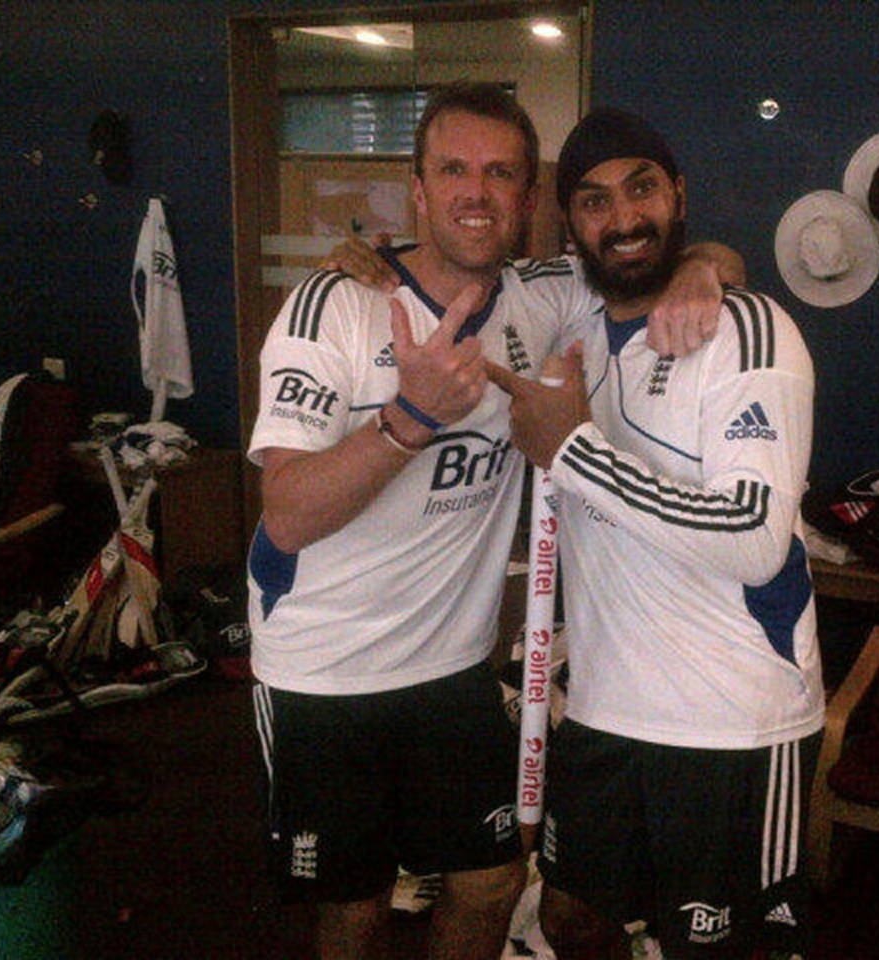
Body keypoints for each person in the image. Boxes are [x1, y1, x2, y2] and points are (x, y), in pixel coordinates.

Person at [246, 83, 741, 960]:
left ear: (527, 198)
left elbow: (657, 259)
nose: (476, 192)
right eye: (453, 170)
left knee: (491, 881)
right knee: (353, 909)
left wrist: (706, 265)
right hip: (324, 673)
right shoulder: (335, 307)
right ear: (418, 189)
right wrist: (409, 420)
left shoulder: (543, 296)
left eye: (500, 173)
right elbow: (283, 516)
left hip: (453, 669)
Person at [487, 109, 824, 960]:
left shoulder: (749, 331)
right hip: (605, 709)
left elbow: (752, 535)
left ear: (679, 195)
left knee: (720, 948)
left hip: (731, 722)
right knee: (569, 918)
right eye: (594, 201)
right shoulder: (571, 321)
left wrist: (572, 449)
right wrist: (365, 266)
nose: (624, 218)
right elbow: (442, 273)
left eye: (642, 188)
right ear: (571, 224)